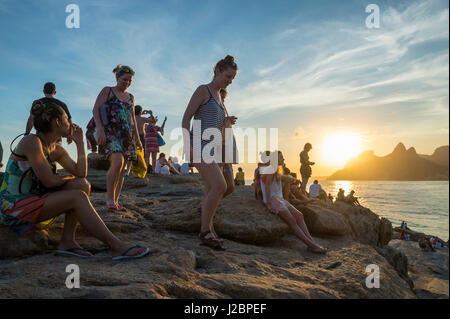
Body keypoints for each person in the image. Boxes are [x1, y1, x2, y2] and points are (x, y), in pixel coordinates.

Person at [0, 101, 149, 260]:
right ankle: (116, 246)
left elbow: (81, 173)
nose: (71, 123)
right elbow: (49, 181)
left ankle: (67, 241)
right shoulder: (31, 142)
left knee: (82, 185)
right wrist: (66, 179)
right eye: (67, 119)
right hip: (14, 207)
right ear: (57, 122)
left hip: (34, 199)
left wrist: (80, 143)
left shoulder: (55, 149)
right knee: (77, 196)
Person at [181, 55, 239, 250]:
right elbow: (186, 118)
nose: (229, 81)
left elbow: (215, 125)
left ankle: (209, 230)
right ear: (217, 71)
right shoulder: (203, 90)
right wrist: (187, 145)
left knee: (212, 190)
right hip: (199, 146)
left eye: (232, 79)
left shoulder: (220, 98)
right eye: (227, 76)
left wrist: (226, 121)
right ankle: (205, 231)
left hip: (212, 149)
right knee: (220, 186)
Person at [92, 65, 142, 211]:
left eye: (130, 81)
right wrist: (100, 128)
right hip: (111, 133)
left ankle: (116, 201)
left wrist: (137, 139)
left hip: (127, 135)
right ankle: (109, 199)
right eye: (124, 79)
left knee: (121, 170)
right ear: (117, 78)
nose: (127, 83)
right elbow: (95, 109)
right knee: (118, 162)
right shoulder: (108, 90)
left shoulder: (131, 97)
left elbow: (132, 118)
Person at [260, 151, 327, 254]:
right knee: (292, 220)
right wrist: (269, 205)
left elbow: (284, 178)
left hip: (280, 199)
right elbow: (267, 187)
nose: (283, 160)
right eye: (281, 158)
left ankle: (311, 241)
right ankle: (311, 245)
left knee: (300, 215)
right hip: (274, 200)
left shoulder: (277, 171)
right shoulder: (269, 170)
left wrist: (294, 180)